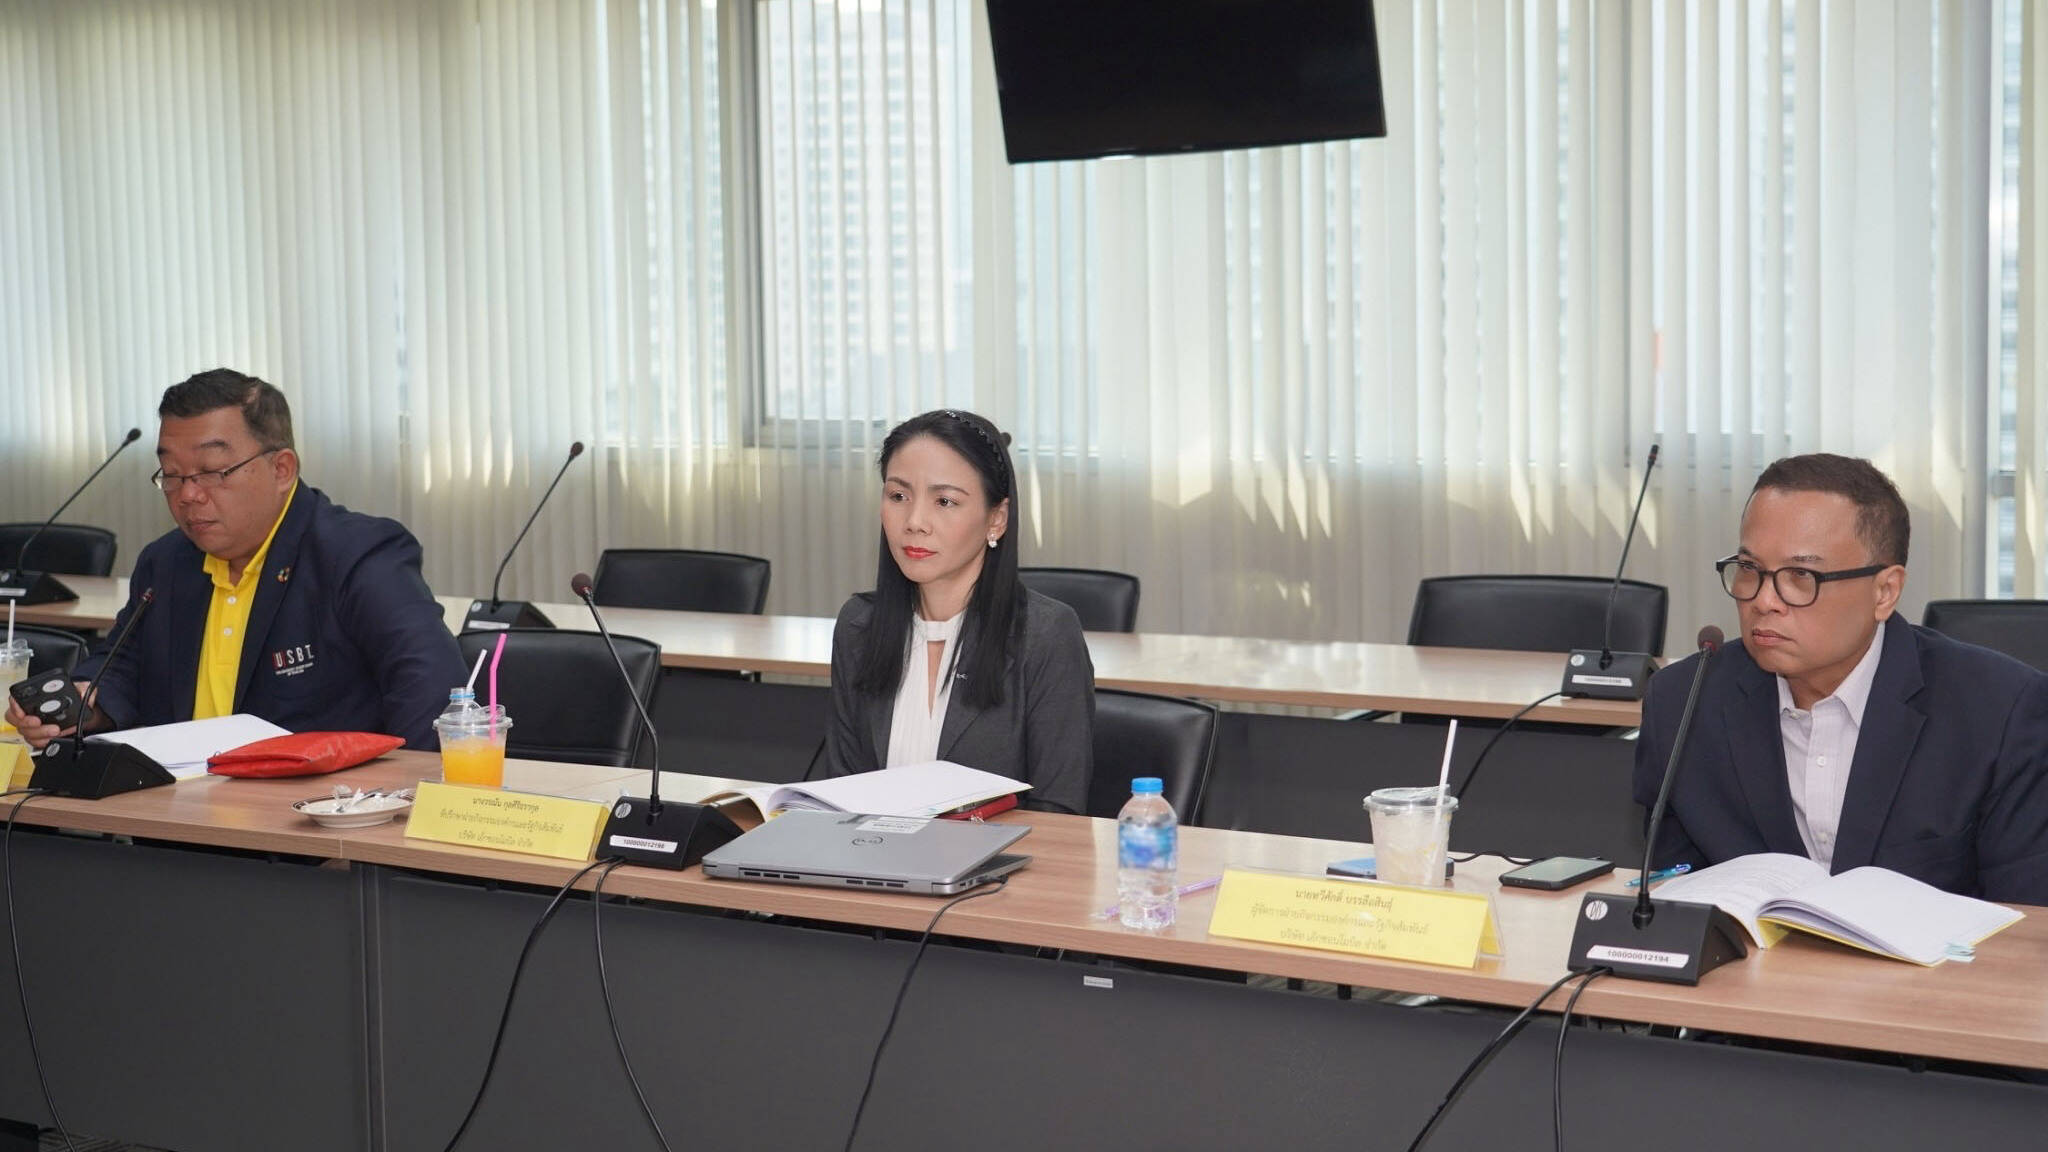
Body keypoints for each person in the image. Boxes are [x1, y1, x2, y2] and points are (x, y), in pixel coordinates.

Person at [1635, 453, 2048, 905]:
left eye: (1800, 575)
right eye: (1750, 569)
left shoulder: (2001, 712)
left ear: (1884, 591)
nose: (1765, 601)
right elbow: (1670, 899)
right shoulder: (1683, 704)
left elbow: (2028, 931)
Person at [3, 369, 468, 750]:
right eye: (172, 475)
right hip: (179, 823)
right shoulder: (165, 564)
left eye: (211, 472)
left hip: (311, 830)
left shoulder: (358, 555)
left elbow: (431, 690)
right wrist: (87, 703)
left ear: (281, 469)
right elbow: (120, 665)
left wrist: (380, 818)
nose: (188, 495)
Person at [823, 409, 1095, 814]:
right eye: (898, 496)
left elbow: (1060, 810)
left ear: (996, 519)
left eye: (945, 501)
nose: (914, 522)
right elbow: (843, 789)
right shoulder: (859, 626)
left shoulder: (1046, 634)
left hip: (996, 873)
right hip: (877, 865)